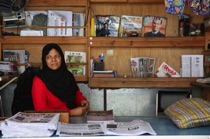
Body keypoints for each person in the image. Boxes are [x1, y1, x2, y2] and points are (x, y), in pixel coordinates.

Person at [32, 43, 89, 116]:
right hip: (51, 123)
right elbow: (40, 110)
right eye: (49, 57)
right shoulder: (39, 81)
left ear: (61, 57)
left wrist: (82, 101)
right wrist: (70, 113)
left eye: (57, 56)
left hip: (72, 121)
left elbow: (76, 94)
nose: (53, 60)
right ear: (44, 60)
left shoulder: (68, 75)